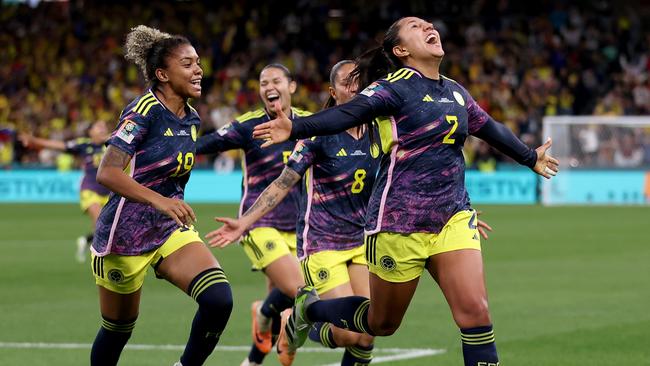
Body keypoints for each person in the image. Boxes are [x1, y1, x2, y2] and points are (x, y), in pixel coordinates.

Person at [252, 17, 559, 366]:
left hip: (452, 217)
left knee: (475, 312)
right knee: (380, 324)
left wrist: (529, 156)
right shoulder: (392, 88)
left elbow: (489, 128)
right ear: (400, 50)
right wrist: (295, 127)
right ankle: (309, 310)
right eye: (415, 27)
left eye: (428, 24)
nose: (428, 27)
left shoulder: (455, 91)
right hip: (399, 224)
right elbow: (347, 114)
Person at [90, 25, 232, 366]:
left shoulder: (193, 119)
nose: (199, 69)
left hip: (169, 230)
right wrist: (159, 200)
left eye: (198, 61)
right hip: (124, 235)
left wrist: (167, 205)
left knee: (218, 299)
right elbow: (107, 172)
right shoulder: (143, 111)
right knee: (118, 328)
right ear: (162, 74)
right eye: (188, 63)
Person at [196, 63, 310, 366]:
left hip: (301, 228)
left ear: (292, 86)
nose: (269, 87)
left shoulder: (311, 125)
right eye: (263, 83)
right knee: (300, 291)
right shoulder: (248, 125)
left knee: (281, 299)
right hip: (259, 223)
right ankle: (264, 314)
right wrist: (168, 145)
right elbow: (206, 144)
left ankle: (253, 360)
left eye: (276, 81)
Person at [19, 120, 111, 262]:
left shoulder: (114, 143)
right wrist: (34, 140)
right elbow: (58, 146)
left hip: (110, 192)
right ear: (90, 132)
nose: (103, 129)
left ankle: (86, 240)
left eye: (104, 127)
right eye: (98, 127)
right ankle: (100, 259)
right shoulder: (84, 144)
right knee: (101, 222)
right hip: (90, 189)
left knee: (107, 228)